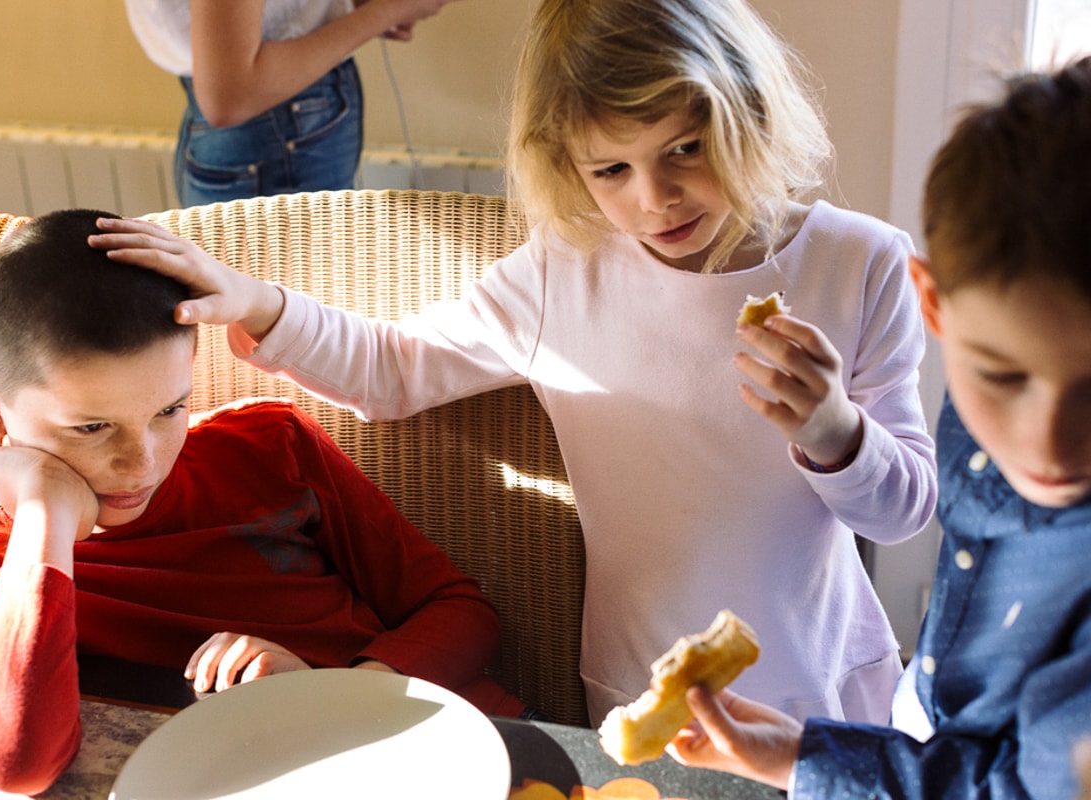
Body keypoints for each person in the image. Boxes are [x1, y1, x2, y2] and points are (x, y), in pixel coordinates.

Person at [91, 0, 938, 727]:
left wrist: (835, 432)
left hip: (831, 685)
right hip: (647, 684)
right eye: (612, 168)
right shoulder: (564, 274)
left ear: (748, 111)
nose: (655, 198)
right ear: (565, 162)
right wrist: (259, 304)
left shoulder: (859, 265)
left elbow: (903, 513)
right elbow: (393, 366)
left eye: (686, 146)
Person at [0, 209, 524, 795]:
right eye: (91, 428)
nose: (142, 462)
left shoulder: (267, 447)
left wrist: (338, 696)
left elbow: (461, 611)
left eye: (170, 409)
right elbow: (16, 763)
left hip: (447, 751)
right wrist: (44, 522)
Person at [663, 56, 1091, 798]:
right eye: (1002, 377)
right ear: (936, 304)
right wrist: (806, 755)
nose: (1047, 441)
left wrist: (817, 763)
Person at [124, 0, 462, 206]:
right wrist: (390, 9)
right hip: (276, 133)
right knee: (289, 317)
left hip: (275, 130)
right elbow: (229, 94)